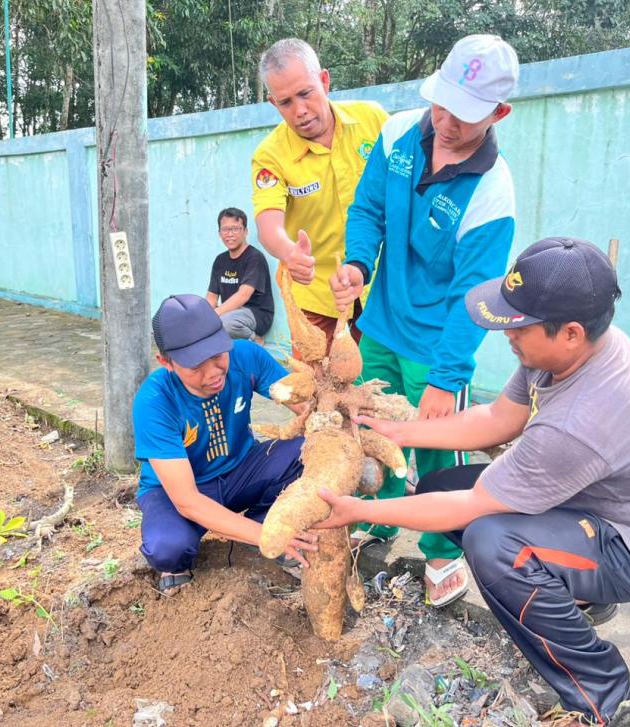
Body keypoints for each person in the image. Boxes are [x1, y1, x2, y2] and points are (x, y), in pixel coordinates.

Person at [317, 237, 630, 724]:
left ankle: (608, 695)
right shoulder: (566, 354)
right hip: (588, 504)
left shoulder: (582, 420)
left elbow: (475, 505)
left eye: (520, 324)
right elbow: (499, 417)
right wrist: (401, 429)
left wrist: (361, 511)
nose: (507, 333)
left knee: (495, 545)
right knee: (441, 486)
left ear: (571, 333)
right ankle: (579, 595)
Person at [329, 35, 519, 606]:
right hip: (382, 325)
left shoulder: (492, 191)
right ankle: (382, 521)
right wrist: (359, 265)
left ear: (498, 113)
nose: (446, 121)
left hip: (438, 342)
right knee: (374, 429)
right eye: (441, 104)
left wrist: (444, 378)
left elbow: (475, 295)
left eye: (464, 115)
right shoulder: (398, 134)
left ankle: (443, 553)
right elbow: (367, 210)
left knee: (438, 448)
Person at [132, 294, 316, 595]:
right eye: (195, 366)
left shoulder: (246, 357)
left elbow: (308, 407)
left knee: (307, 450)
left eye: (218, 355)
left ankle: (262, 520)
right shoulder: (154, 402)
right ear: (166, 362)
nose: (214, 373)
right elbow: (187, 499)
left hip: (242, 471)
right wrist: (267, 536)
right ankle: (258, 534)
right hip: (183, 490)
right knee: (167, 548)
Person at [252, 38, 389, 349]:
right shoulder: (270, 155)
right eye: (286, 102)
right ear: (274, 103)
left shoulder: (374, 120)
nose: (300, 110)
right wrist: (290, 253)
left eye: (305, 93)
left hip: (379, 287)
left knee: (377, 387)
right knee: (316, 388)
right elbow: (268, 225)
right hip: (315, 297)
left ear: (324, 81)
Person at [206, 207, 275, 341]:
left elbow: (243, 295)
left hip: (257, 314)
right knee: (198, 319)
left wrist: (214, 315)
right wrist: (203, 315)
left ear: (245, 231)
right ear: (219, 233)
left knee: (225, 324)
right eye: (225, 229)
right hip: (230, 312)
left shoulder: (255, 258)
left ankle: (255, 339)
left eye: (235, 229)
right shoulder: (220, 260)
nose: (230, 234)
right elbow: (212, 297)